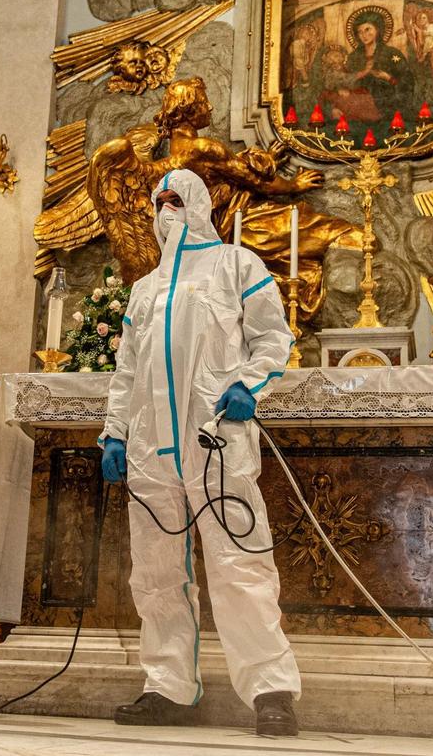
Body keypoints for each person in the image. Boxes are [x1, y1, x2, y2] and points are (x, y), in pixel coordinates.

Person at [99, 168, 301, 736]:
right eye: (158, 201)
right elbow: (127, 370)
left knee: (239, 563)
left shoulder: (238, 266)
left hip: (214, 439)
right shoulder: (144, 288)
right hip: (149, 446)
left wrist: (251, 384)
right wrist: (114, 433)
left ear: (198, 204)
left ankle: (271, 690)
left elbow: (273, 338)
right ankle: (168, 686)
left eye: (175, 199)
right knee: (156, 573)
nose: (166, 210)